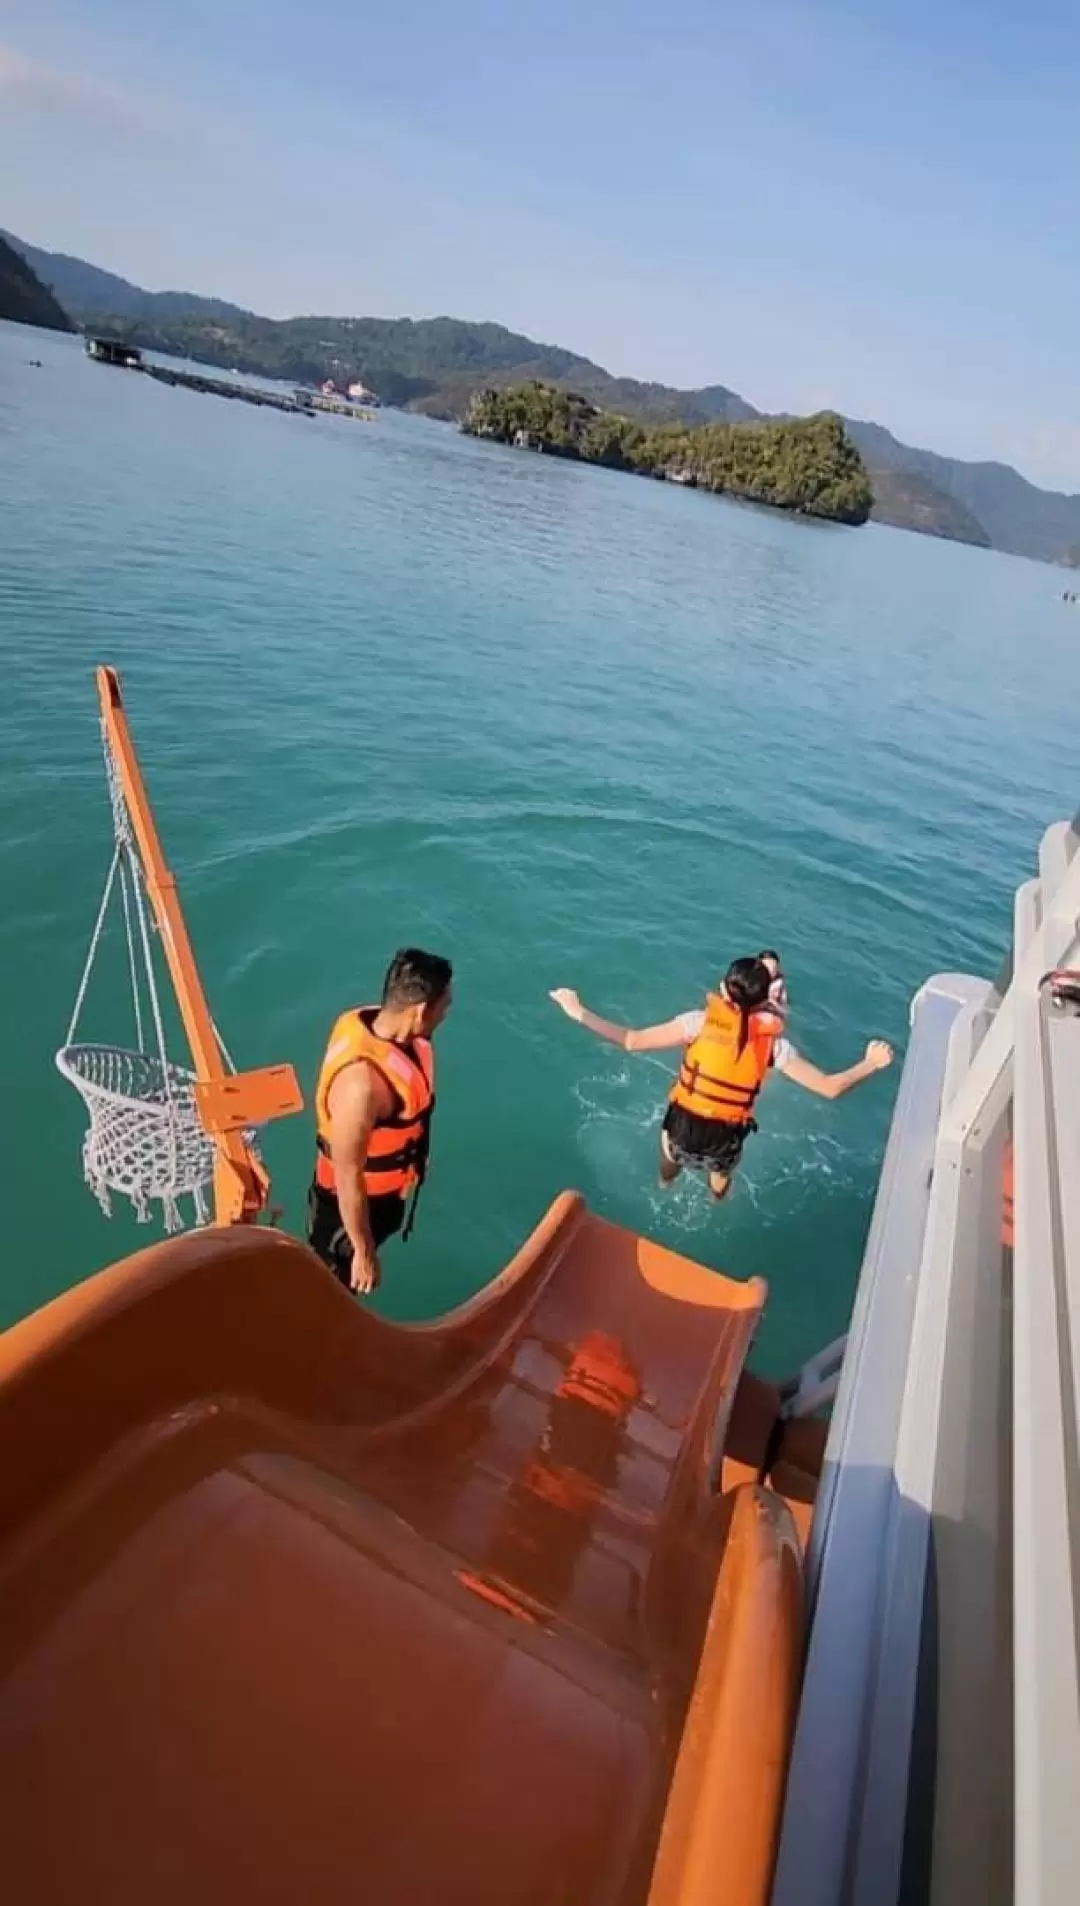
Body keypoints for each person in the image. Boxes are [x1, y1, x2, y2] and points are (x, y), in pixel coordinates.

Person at [550, 956, 892, 1203]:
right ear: (767, 1001)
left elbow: (630, 1040)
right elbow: (831, 1088)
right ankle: (717, 1200)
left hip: (682, 1125)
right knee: (721, 1175)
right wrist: (870, 1063)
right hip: (725, 1138)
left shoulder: (696, 1023)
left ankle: (665, 1186)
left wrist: (577, 1010)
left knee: (669, 1153)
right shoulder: (775, 1046)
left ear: (722, 990)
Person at [308, 947, 453, 1295]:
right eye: (445, 1005)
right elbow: (347, 1175)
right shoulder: (361, 1087)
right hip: (347, 1218)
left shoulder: (390, 1032)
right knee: (333, 1291)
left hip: (386, 1194)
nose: (447, 1013)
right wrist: (363, 1251)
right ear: (420, 1011)